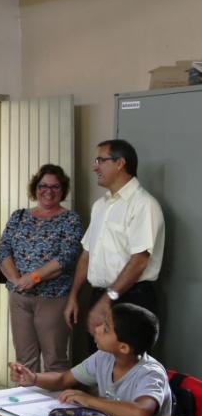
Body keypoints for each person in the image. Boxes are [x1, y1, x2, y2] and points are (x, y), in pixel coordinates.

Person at [11, 304, 172, 416]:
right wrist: (34, 378)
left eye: (106, 329)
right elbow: (63, 379)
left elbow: (140, 413)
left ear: (123, 347)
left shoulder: (150, 373)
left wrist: (90, 400)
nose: (97, 329)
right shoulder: (104, 357)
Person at [64, 139, 165, 352]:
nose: (95, 167)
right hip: (100, 296)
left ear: (120, 163)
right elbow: (87, 254)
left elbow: (139, 261)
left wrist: (108, 300)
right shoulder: (101, 205)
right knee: (99, 366)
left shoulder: (143, 204)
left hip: (131, 299)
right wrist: (73, 296)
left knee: (127, 370)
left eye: (101, 160)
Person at [0, 164, 82, 373]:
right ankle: (27, 405)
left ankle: (55, 406)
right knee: (24, 361)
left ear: (63, 190)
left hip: (53, 298)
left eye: (55, 187)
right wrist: (17, 280)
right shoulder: (18, 216)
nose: (48, 191)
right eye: (43, 186)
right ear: (35, 188)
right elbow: (3, 250)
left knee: (55, 359)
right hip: (19, 298)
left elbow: (66, 258)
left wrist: (32, 278)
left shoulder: (70, 220)